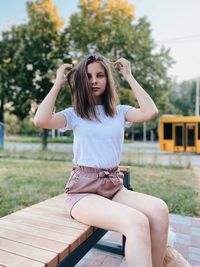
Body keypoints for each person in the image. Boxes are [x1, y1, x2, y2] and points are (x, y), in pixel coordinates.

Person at [33, 54, 169, 267]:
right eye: (88, 76)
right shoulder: (75, 114)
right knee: (136, 221)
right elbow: (40, 120)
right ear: (81, 81)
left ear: (108, 80)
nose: (94, 81)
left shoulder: (120, 112)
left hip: (113, 186)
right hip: (83, 191)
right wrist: (58, 82)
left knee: (159, 209)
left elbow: (150, 111)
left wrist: (129, 76)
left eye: (100, 75)